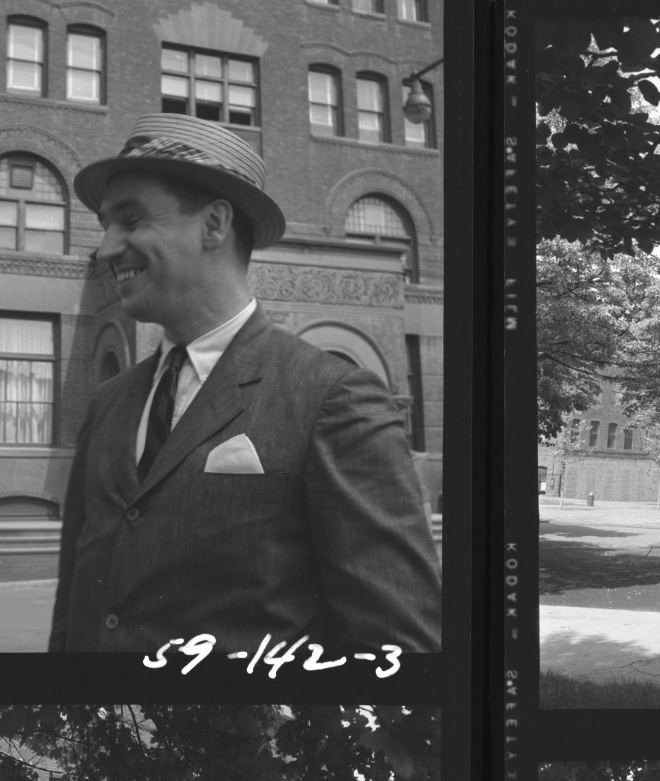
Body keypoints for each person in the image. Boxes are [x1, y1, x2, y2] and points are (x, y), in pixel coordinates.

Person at [50, 114, 442, 655]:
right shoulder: (107, 406)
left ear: (213, 225)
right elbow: (72, 615)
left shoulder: (332, 398)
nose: (107, 247)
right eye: (105, 224)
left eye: (131, 219)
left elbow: (398, 651)